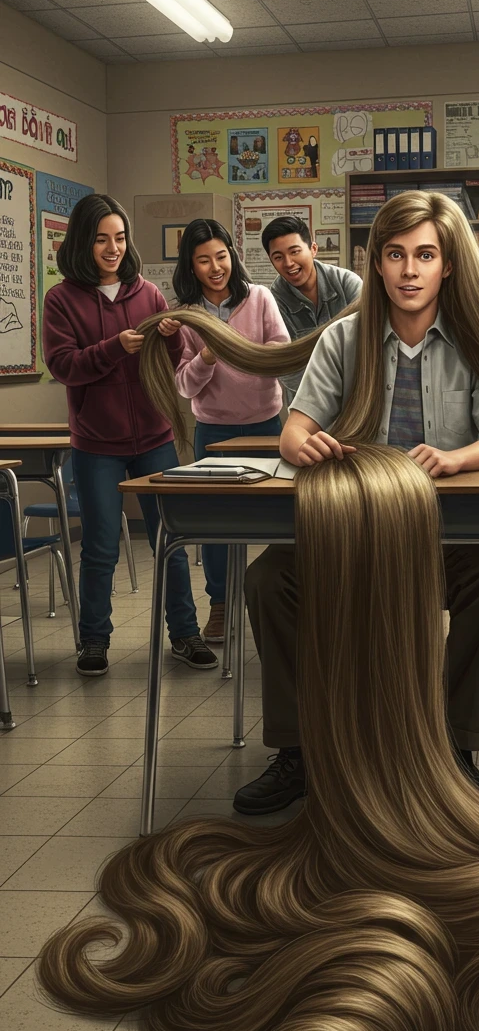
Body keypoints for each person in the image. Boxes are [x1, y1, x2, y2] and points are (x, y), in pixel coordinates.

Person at [237, 197, 479, 815]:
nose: (409, 270)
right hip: (350, 534)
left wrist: (456, 459)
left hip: (440, 539)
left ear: (448, 265)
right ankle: (298, 752)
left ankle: (454, 745)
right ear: (376, 264)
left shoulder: (475, 342)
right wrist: (304, 441)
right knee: (267, 580)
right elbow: (293, 430)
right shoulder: (344, 337)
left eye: (425, 255)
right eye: (395, 255)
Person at [41, 194, 217, 678]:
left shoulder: (147, 294)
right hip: (96, 443)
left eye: (119, 238)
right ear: (82, 242)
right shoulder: (61, 299)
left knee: (171, 538)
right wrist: (113, 348)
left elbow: (173, 356)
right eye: (101, 239)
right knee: (100, 546)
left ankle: (185, 633)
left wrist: (174, 336)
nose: (113, 248)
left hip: (156, 436)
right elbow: (63, 367)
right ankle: (93, 640)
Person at [171, 219, 289, 643]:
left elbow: (282, 351)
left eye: (221, 256)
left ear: (232, 256)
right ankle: (220, 606)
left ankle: (286, 604)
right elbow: (184, 385)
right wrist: (207, 355)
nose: (215, 267)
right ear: (191, 265)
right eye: (204, 260)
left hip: (265, 426)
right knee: (217, 525)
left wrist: (250, 352)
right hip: (214, 433)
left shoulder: (259, 297)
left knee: (282, 518)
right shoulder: (186, 315)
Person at [262, 215, 361, 400]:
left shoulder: (348, 284)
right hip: (306, 406)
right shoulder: (273, 303)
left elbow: (369, 346)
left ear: (313, 249)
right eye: (278, 257)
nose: (288, 263)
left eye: (295, 251)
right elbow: (287, 369)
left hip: (355, 400)